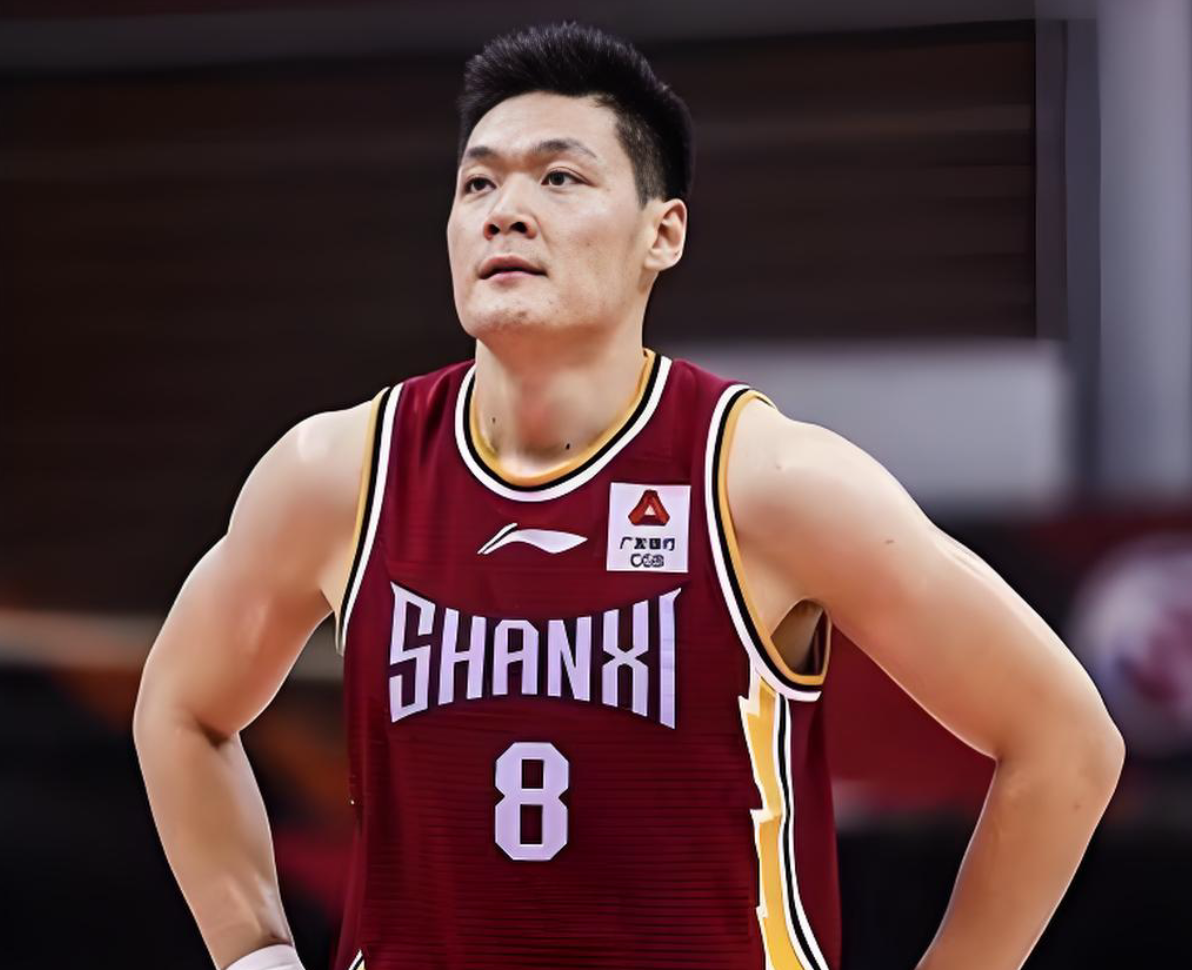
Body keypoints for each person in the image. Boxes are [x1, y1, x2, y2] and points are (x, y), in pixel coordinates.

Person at [133, 20, 1125, 970]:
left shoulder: (764, 481)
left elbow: (1065, 743)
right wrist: (255, 952)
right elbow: (180, 708)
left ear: (663, 233)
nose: (504, 209)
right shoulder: (340, 472)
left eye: (559, 177)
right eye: (477, 182)